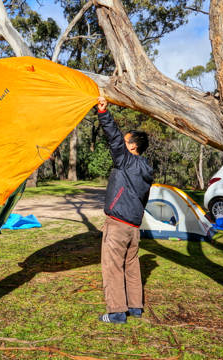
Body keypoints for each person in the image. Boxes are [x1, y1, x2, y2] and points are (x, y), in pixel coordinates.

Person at [96, 96, 153, 324]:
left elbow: (113, 138)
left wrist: (103, 113)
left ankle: (117, 312)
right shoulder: (147, 168)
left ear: (132, 145)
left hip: (118, 224)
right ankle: (136, 307)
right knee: (132, 265)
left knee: (112, 266)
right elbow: (144, 198)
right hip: (134, 227)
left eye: (126, 140)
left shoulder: (126, 160)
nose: (123, 142)